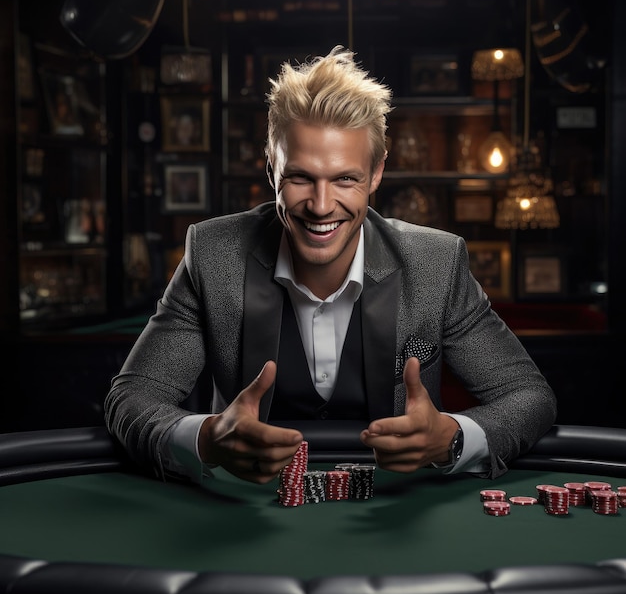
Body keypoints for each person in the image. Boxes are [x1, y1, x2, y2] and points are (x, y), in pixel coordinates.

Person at [105, 46, 556, 486]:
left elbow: (529, 397)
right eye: (300, 177)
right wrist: (207, 438)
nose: (321, 206)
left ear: (377, 172)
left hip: (395, 520)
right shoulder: (212, 253)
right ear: (270, 169)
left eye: (345, 178)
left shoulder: (436, 263)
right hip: (245, 518)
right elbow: (133, 398)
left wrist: (452, 439)